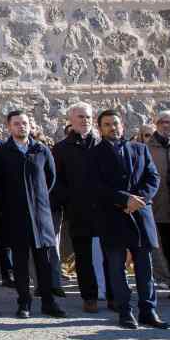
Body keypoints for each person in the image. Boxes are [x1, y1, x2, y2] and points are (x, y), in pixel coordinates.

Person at [92, 109, 168, 329]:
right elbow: (94, 186)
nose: (112, 128)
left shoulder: (140, 149)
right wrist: (124, 200)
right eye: (107, 124)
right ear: (101, 128)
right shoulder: (95, 155)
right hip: (113, 218)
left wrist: (139, 200)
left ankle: (148, 310)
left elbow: (153, 177)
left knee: (145, 268)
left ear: (122, 125)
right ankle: (125, 311)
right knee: (117, 268)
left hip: (141, 216)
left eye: (115, 123)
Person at [0, 111, 65, 319]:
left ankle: (49, 302)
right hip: (16, 216)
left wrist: (38, 200)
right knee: (21, 263)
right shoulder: (1, 153)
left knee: (45, 262)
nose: (21, 127)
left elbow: (50, 178)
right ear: (9, 127)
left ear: (30, 126)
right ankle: (24, 302)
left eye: (24, 123)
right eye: (16, 124)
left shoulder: (41, 150)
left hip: (41, 216)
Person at [52, 103, 108, 313]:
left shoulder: (102, 144)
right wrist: (68, 201)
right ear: (71, 120)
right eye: (80, 117)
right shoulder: (62, 148)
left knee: (109, 254)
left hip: (104, 209)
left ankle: (112, 294)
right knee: (83, 257)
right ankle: (89, 296)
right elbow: (57, 181)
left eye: (88, 116)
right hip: (79, 211)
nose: (85, 120)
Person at [144, 111, 170, 299]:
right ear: (156, 124)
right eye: (163, 122)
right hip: (160, 206)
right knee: (168, 248)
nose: (167, 125)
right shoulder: (147, 148)